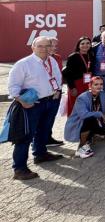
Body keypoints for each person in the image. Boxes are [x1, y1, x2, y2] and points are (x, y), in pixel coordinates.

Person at [7, 36, 64, 180]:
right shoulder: (23, 64)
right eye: (40, 46)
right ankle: (19, 169)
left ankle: (40, 154)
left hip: (50, 101)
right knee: (25, 136)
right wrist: (21, 101)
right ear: (33, 47)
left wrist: (57, 91)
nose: (44, 49)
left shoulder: (51, 61)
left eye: (47, 46)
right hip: (32, 104)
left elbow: (57, 77)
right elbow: (13, 87)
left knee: (43, 131)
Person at [64, 76, 105, 159]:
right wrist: (98, 113)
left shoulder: (102, 94)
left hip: (94, 119)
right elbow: (83, 115)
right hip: (79, 122)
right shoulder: (82, 98)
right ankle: (81, 146)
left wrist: (101, 119)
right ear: (90, 86)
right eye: (96, 84)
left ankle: (90, 137)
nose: (99, 86)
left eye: (101, 84)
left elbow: (102, 110)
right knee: (90, 120)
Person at [63, 36, 94, 115]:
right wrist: (72, 87)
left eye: (88, 43)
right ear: (78, 45)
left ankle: (84, 125)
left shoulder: (91, 55)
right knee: (75, 106)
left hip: (88, 84)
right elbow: (68, 74)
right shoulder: (73, 56)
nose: (85, 45)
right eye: (82, 43)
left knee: (87, 105)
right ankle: (73, 125)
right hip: (76, 85)